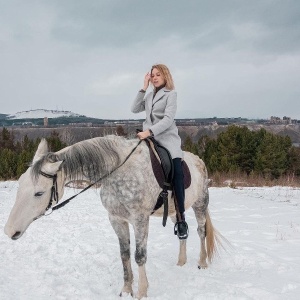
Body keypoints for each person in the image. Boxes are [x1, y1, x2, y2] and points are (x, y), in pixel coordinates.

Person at [131, 64, 188, 240]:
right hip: (148, 139)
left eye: (158, 75)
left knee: (177, 171)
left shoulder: (171, 95)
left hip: (166, 139)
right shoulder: (149, 96)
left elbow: (168, 120)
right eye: (153, 75)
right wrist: (143, 86)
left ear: (165, 77)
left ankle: (180, 219)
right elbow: (134, 109)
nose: (155, 78)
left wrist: (149, 132)